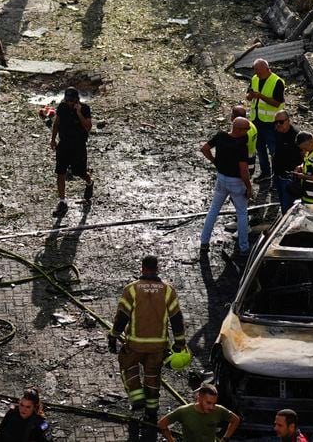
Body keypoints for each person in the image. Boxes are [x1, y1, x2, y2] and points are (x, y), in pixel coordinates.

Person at [108, 255, 186, 422]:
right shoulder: (168, 291)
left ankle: (137, 399)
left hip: (135, 344)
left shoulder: (132, 289)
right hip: (158, 346)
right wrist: (180, 343)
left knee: (127, 366)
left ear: (142, 268)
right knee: (153, 377)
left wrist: (113, 336)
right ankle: (151, 413)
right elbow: (177, 319)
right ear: (157, 269)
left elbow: (121, 317)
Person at [199, 117, 252, 257]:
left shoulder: (221, 136)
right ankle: (244, 247)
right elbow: (244, 170)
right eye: (246, 129)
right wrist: (249, 187)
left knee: (213, 210)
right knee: (242, 213)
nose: (248, 131)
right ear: (239, 130)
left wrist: (215, 161)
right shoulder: (241, 146)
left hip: (221, 178)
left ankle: (204, 242)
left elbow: (204, 148)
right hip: (236, 182)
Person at [50, 87, 93, 216]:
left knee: (79, 171)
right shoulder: (62, 108)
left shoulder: (85, 109)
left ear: (76, 100)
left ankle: (89, 182)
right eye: (68, 101)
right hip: (63, 145)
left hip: (78, 146)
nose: (69, 103)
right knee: (60, 172)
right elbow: (56, 124)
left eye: (72, 101)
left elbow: (88, 127)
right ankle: (62, 202)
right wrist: (53, 139)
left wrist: (79, 113)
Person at [246, 58, 285, 182]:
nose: (257, 74)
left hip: (271, 123)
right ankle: (265, 173)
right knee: (260, 149)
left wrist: (261, 96)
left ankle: (277, 175)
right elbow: (248, 96)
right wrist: (251, 96)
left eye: (259, 72)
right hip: (256, 120)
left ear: (267, 69)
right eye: (255, 71)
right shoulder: (255, 79)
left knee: (273, 150)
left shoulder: (277, 82)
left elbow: (277, 103)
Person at [158, 384, 240, 442]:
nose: (211, 407)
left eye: (214, 403)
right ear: (199, 397)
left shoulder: (219, 410)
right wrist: (171, 440)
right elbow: (162, 423)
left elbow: (235, 420)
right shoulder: (184, 411)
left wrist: (225, 439)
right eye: (208, 403)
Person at [271, 110, 300, 213]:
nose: (278, 125)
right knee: (283, 204)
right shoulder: (277, 131)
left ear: (288, 121)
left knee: (289, 207)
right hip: (278, 174)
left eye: (281, 122)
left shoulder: (296, 136)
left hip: (290, 177)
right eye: (276, 122)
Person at [231, 105, 257, 175]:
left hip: (243, 161)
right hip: (251, 158)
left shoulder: (241, 132)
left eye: (232, 114)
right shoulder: (251, 125)